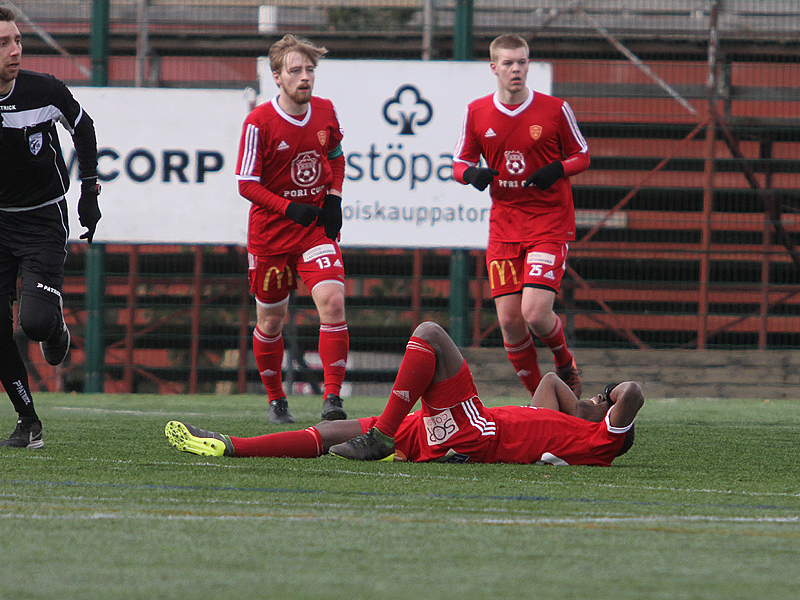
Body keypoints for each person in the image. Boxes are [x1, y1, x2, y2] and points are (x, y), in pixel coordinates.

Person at [0, 5, 101, 448]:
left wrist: (89, 191)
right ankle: (28, 421)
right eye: (3, 43)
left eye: (18, 40)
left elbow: (83, 129)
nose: (15, 50)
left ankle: (56, 325)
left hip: (42, 217)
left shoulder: (44, 90)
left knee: (33, 323)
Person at [165, 321, 643, 466]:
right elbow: (549, 386)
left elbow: (633, 392)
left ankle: (384, 437)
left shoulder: (600, 441)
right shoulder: (561, 427)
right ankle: (231, 445)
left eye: (604, 408)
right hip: (448, 435)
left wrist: (602, 399)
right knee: (330, 431)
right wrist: (581, 402)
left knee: (431, 334)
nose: (600, 405)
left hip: (474, 431)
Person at [452, 33, 590, 399]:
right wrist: (472, 175)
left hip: (548, 223)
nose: (516, 69)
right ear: (493, 67)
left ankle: (565, 363)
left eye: (523, 62)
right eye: (509, 63)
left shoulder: (554, 109)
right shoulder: (477, 112)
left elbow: (583, 154)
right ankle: (539, 399)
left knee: (534, 313)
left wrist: (556, 170)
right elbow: (459, 161)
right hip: (504, 227)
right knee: (511, 322)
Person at [235, 34, 349, 424]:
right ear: (277, 77)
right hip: (270, 237)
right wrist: (288, 207)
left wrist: (332, 196)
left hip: (313, 231)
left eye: (310, 69)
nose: (305, 77)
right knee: (270, 320)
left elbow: (335, 156)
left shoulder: (326, 111)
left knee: (333, 302)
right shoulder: (259, 123)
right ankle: (275, 399)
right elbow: (246, 184)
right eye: (296, 70)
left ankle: (332, 399)